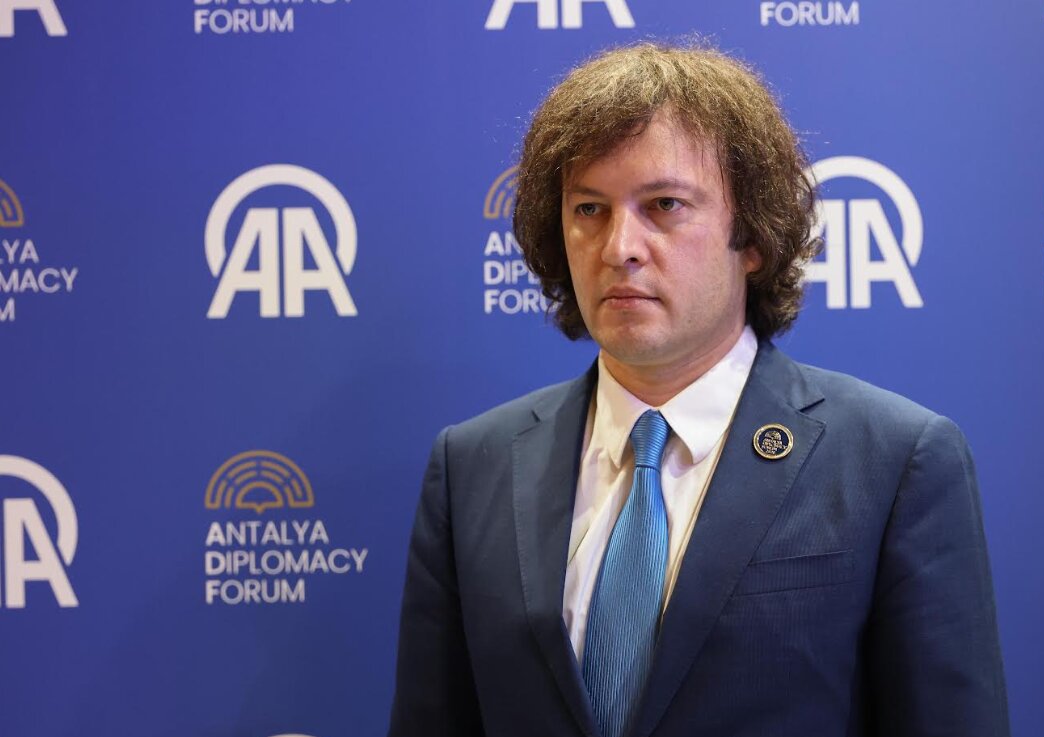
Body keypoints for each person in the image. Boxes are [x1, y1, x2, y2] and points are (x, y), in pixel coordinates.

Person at [389, 42, 1010, 737]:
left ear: (754, 236)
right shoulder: (473, 464)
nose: (619, 246)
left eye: (664, 205)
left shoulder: (893, 461)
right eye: (589, 209)